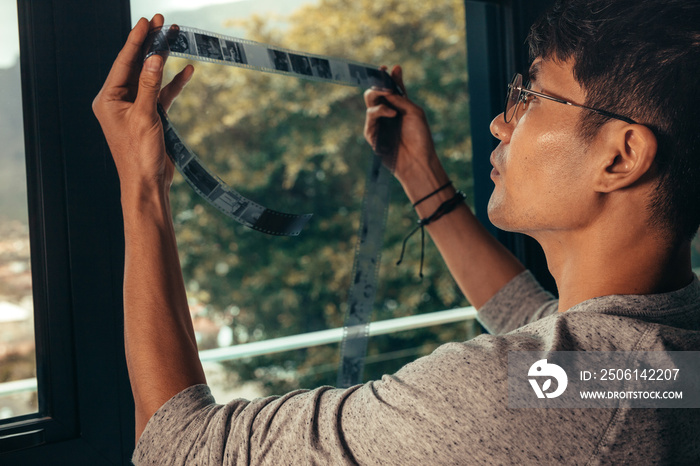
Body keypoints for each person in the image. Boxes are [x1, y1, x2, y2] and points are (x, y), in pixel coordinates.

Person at [92, 0, 700, 464]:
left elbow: (181, 447)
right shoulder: (663, 355)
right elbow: (534, 320)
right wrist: (419, 174)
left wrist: (143, 183)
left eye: (531, 96)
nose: (499, 122)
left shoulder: (497, 396)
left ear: (620, 156)